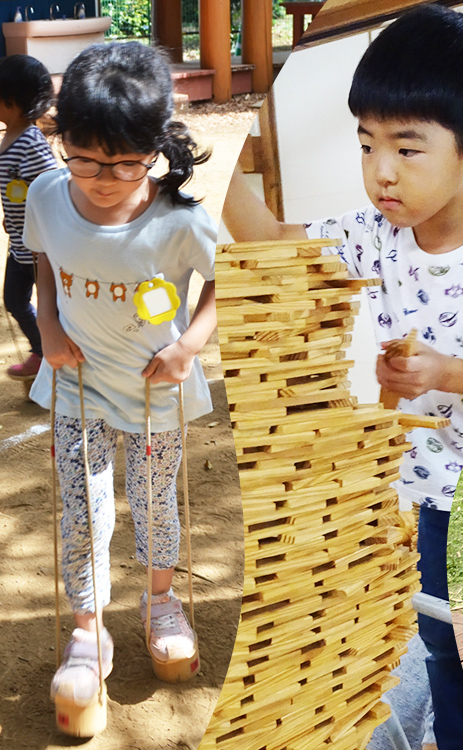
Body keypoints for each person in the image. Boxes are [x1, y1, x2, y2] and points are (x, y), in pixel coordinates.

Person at [224, 5, 463, 748]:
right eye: (367, 143)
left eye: (407, 149)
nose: (381, 170)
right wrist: (211, 164)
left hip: (462, 497)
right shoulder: (370, 233)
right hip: (384, 490)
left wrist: (445, 371)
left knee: (438, 657)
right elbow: (278, 242)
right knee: (402, 657)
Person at [23, 42, 217, 729]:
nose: (102, 178)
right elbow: (42, 265)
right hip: (75, 386)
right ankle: (85, 629)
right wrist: (46, 326)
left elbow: (228, 281)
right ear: (61, 137)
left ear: (155, 149)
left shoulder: (180, 220)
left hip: (155, 395)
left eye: (124, 162)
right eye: (83, 156)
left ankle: (161, 601)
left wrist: (190, 345)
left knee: (156, 501)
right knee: (83, 511)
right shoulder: (47, 194)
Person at [0, 54, 57, 381]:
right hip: (19, 243)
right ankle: (42, 352)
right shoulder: (11, 139)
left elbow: (51, 188)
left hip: (40, 248)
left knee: (55, 308)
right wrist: (13, 215)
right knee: (14, 301)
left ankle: (54, 361)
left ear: (10, 103)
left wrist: (40, 230)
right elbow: (17, 189)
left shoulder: (30, 144)